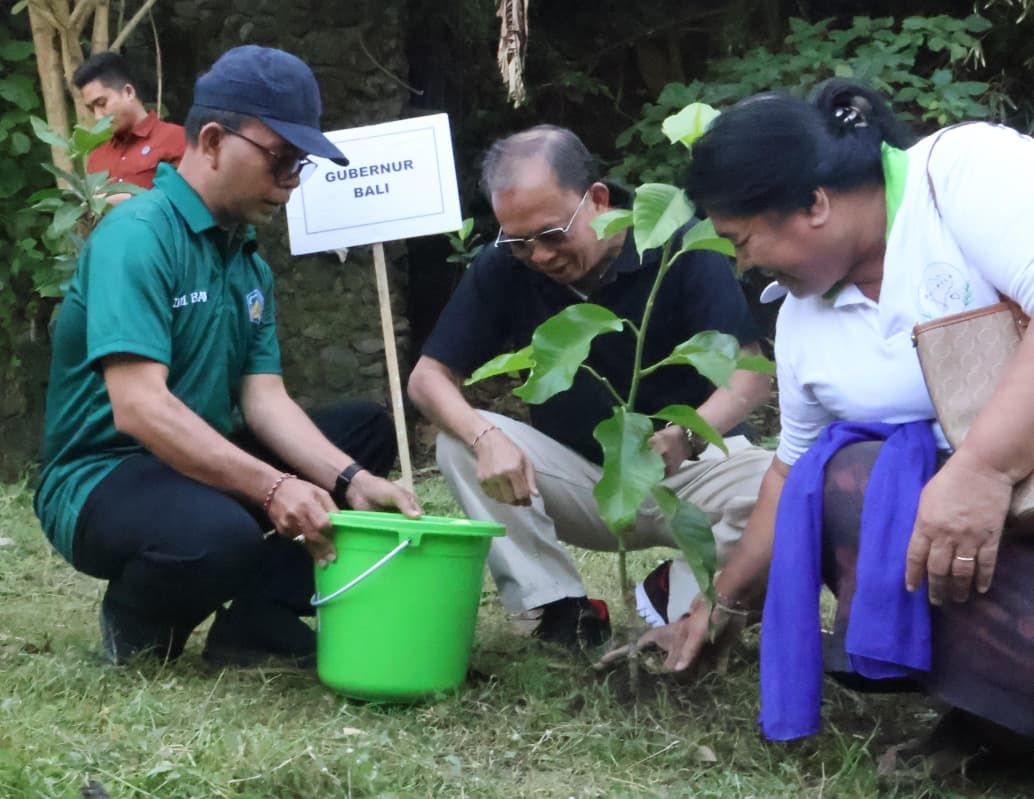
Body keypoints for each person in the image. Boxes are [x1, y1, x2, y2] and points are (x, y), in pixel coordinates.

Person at [609, 79, 1034, 751]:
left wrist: (982, 467)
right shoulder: (804, 320)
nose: (742, 266)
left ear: (813, 203)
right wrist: (720, 604)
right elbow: (789, 476)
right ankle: (998, 715)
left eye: (742, 241)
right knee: (841, 482)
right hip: (999, 539)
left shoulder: (959, 174)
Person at [34, 45, 421, 667]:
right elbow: (138, 409)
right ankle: (135, 623)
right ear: (213, 140)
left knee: (362, 434)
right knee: (219, 534)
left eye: (302, 165)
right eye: (281, 160)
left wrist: (350, 480)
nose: (291, 183)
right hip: (104, 475)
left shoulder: (247, 261)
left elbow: (262, 398)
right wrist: (271, 487)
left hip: (197, 462)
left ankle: (256, 625)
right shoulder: (138, 237)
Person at [407, 125, 773, 647]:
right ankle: (560, 610)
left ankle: (688, 605)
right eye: (519, 243)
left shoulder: (678, 244)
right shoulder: (503, 265)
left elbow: (749, 374)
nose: (539, 257)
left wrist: (687, 434)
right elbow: (428, 379)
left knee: (781, 486)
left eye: (552, 236)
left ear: (596, 199)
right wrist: (485, 439)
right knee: (460, 442)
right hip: (579, 478)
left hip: (691, 468)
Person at [73, 51, 186, 200]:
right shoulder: (97, 155)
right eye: (91, 109)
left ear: (129, 92)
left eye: (102, 103)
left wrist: (126, 200)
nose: (98, 116)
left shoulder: (177, 139)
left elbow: (190, 201)